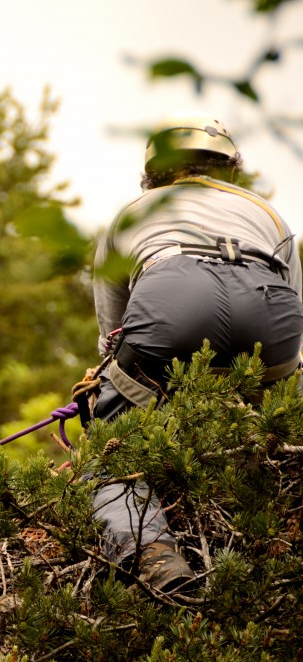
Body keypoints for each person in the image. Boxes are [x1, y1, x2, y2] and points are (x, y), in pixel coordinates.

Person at [89, 113, 303, 592]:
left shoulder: (131, 214)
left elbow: (112, 337)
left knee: (108, 452)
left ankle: (153, 554)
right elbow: (295, 305)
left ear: (154, 172)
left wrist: (117, 390)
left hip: (172, 298)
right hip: (269, 308)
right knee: (281, 421)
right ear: (229, 167)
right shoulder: (269, 214)